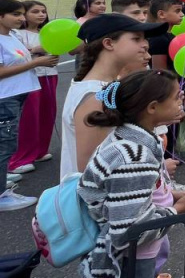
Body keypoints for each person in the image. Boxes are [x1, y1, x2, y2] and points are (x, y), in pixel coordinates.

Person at [77, 71, 185, 278]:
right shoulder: (135, 156)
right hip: (128, 260)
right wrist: (178, 211)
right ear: (152, 108)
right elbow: (129, 231)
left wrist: (172, 196)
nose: (182, 100)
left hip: (130, 255)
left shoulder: (131, 140)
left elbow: (135, 197)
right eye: (175, 97)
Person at [60, 14, 165, 181]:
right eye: (136, 39)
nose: (145, 44)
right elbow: (92, 171)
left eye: (144, 39)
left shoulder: (107, 86)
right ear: (108, 43)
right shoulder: (96, 96)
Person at [0, 0, 58, 209]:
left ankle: (3, 179)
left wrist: (40, 56)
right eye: (15, 14)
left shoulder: (12, 36)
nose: (21, 18)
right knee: (5, 144)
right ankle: (2, 196)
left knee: (7, 142)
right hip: (6, 97)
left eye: (21, 14)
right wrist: (36, 62)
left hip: (18, 94)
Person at [9, 1, 59, 177]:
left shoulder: (47, 32)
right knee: (29, 119)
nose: (41, 14)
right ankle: (21, 158)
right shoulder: (16, 34)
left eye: (43, 11)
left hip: (50, 75)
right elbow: (16, 56)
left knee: (48, 114)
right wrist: (36, 50)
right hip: (31, 78)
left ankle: (39, 151)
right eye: (35, 11)